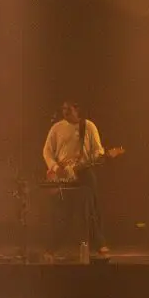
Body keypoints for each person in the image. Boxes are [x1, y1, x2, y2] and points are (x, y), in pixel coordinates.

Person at [42, 102, 109, 257]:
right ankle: (52, 246)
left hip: (83, 172)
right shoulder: (56, 128)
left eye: (69, 108)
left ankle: (99, 244)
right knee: (61, 211)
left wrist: (98, 157)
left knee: (91, 208)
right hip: (62, 174)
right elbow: (47, 151)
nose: (65, 111)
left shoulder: (89, 126)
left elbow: (98, 151)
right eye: (63, 108)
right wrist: (55, 168)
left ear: (77, 109)